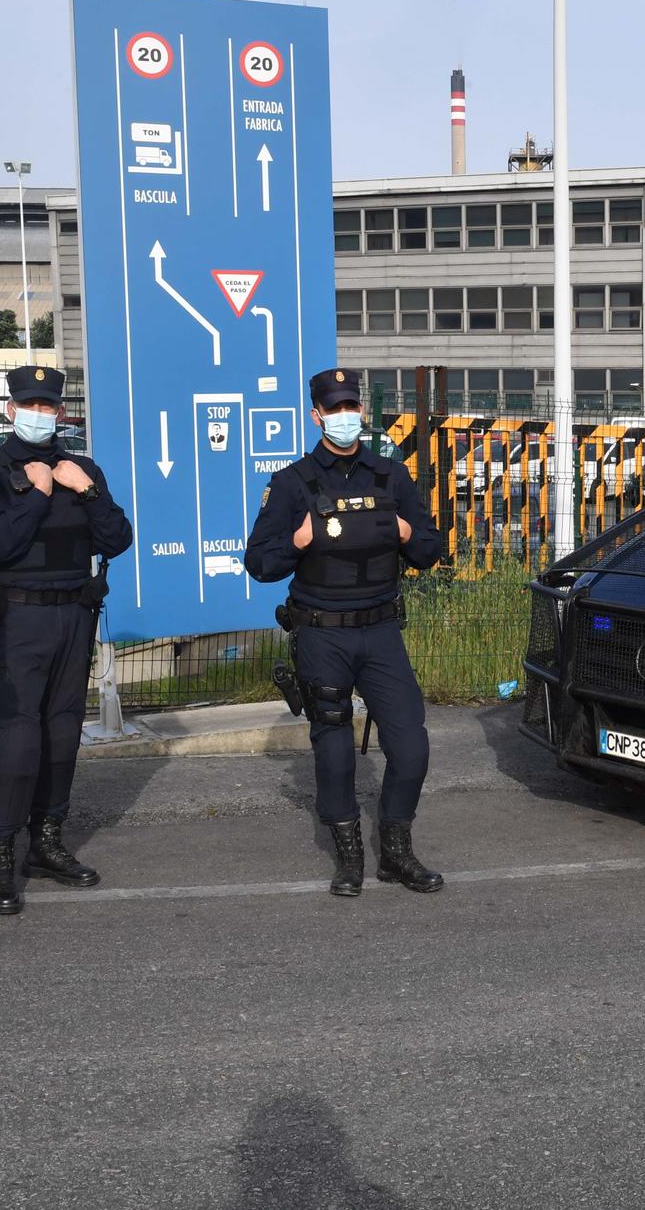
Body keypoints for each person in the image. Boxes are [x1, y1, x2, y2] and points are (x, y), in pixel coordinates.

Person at [243, 369, 447, 897]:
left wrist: (406, 532)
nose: (343, 416)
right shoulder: (292, 483)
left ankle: (396, 852)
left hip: (381, 632)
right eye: (333, 408)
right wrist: (299, 539)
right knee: (333, 752)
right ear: (317, 415)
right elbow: (260, 563)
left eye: (350, 405)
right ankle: (349, 854)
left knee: (411, 746)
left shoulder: (391, 477)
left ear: (362, 410)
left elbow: (430, 550)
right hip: (322, 634)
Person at [0, 365, 133, 916]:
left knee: (62, 736)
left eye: (48, 405)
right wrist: (36, 494)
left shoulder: (83, 469)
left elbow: (118, 539)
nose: (39, 413)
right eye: (29, 403)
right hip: (17, 621)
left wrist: (86, 493)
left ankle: (46, 843)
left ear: (60, 411)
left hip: (74, 618)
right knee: (18, 743)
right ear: (11, 409)